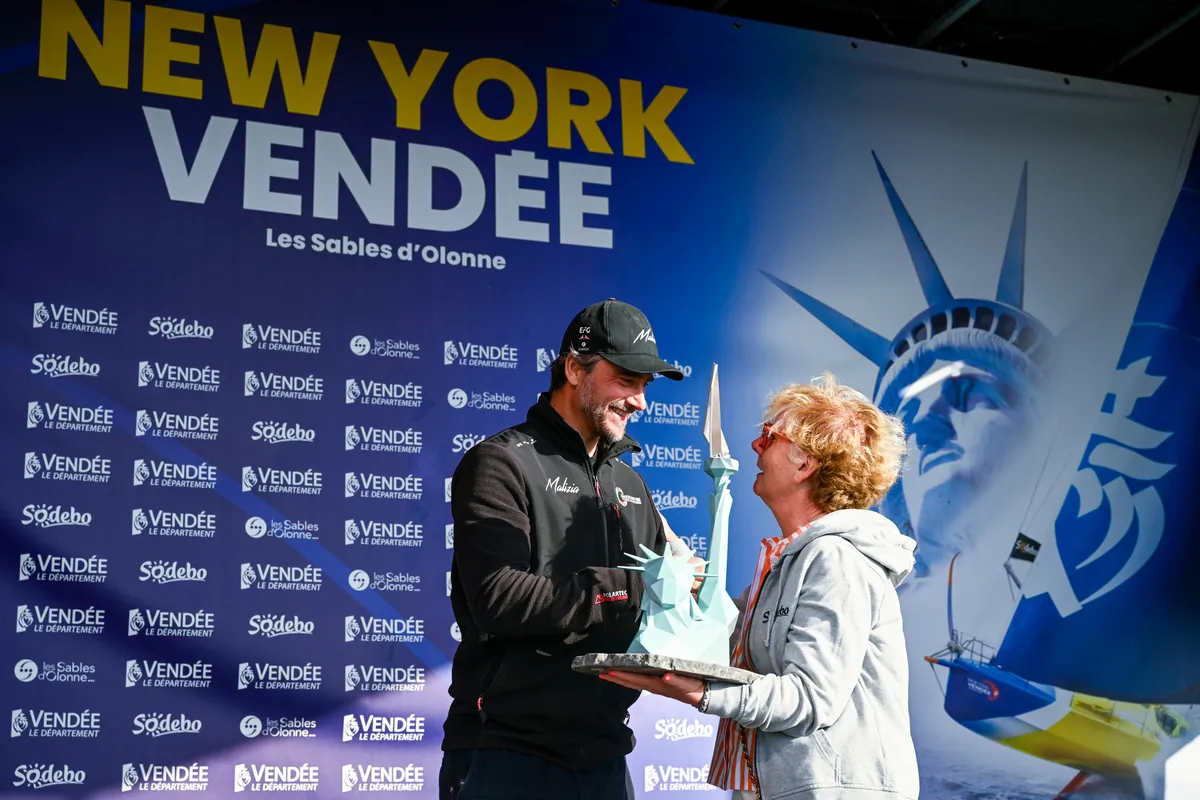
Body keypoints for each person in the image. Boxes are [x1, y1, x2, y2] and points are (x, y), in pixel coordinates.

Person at [601, 373, 921, 800]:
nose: (756, 446)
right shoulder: (790, 563)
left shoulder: (837, 560)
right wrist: (679, 565)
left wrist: (700, 691)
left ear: (805, 464)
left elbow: (809, 699)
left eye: (770, 436)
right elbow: (726, 629)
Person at [439, 298, 697, 800]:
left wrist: (693, 596)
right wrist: (631, 589)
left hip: (604, 757)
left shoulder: (632, 484)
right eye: (626, 379)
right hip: (506, 753)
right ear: (575, 368)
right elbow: (499, 600)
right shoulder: (500, 464)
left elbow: (667, 603)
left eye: (645, 385)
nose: (640, 400)